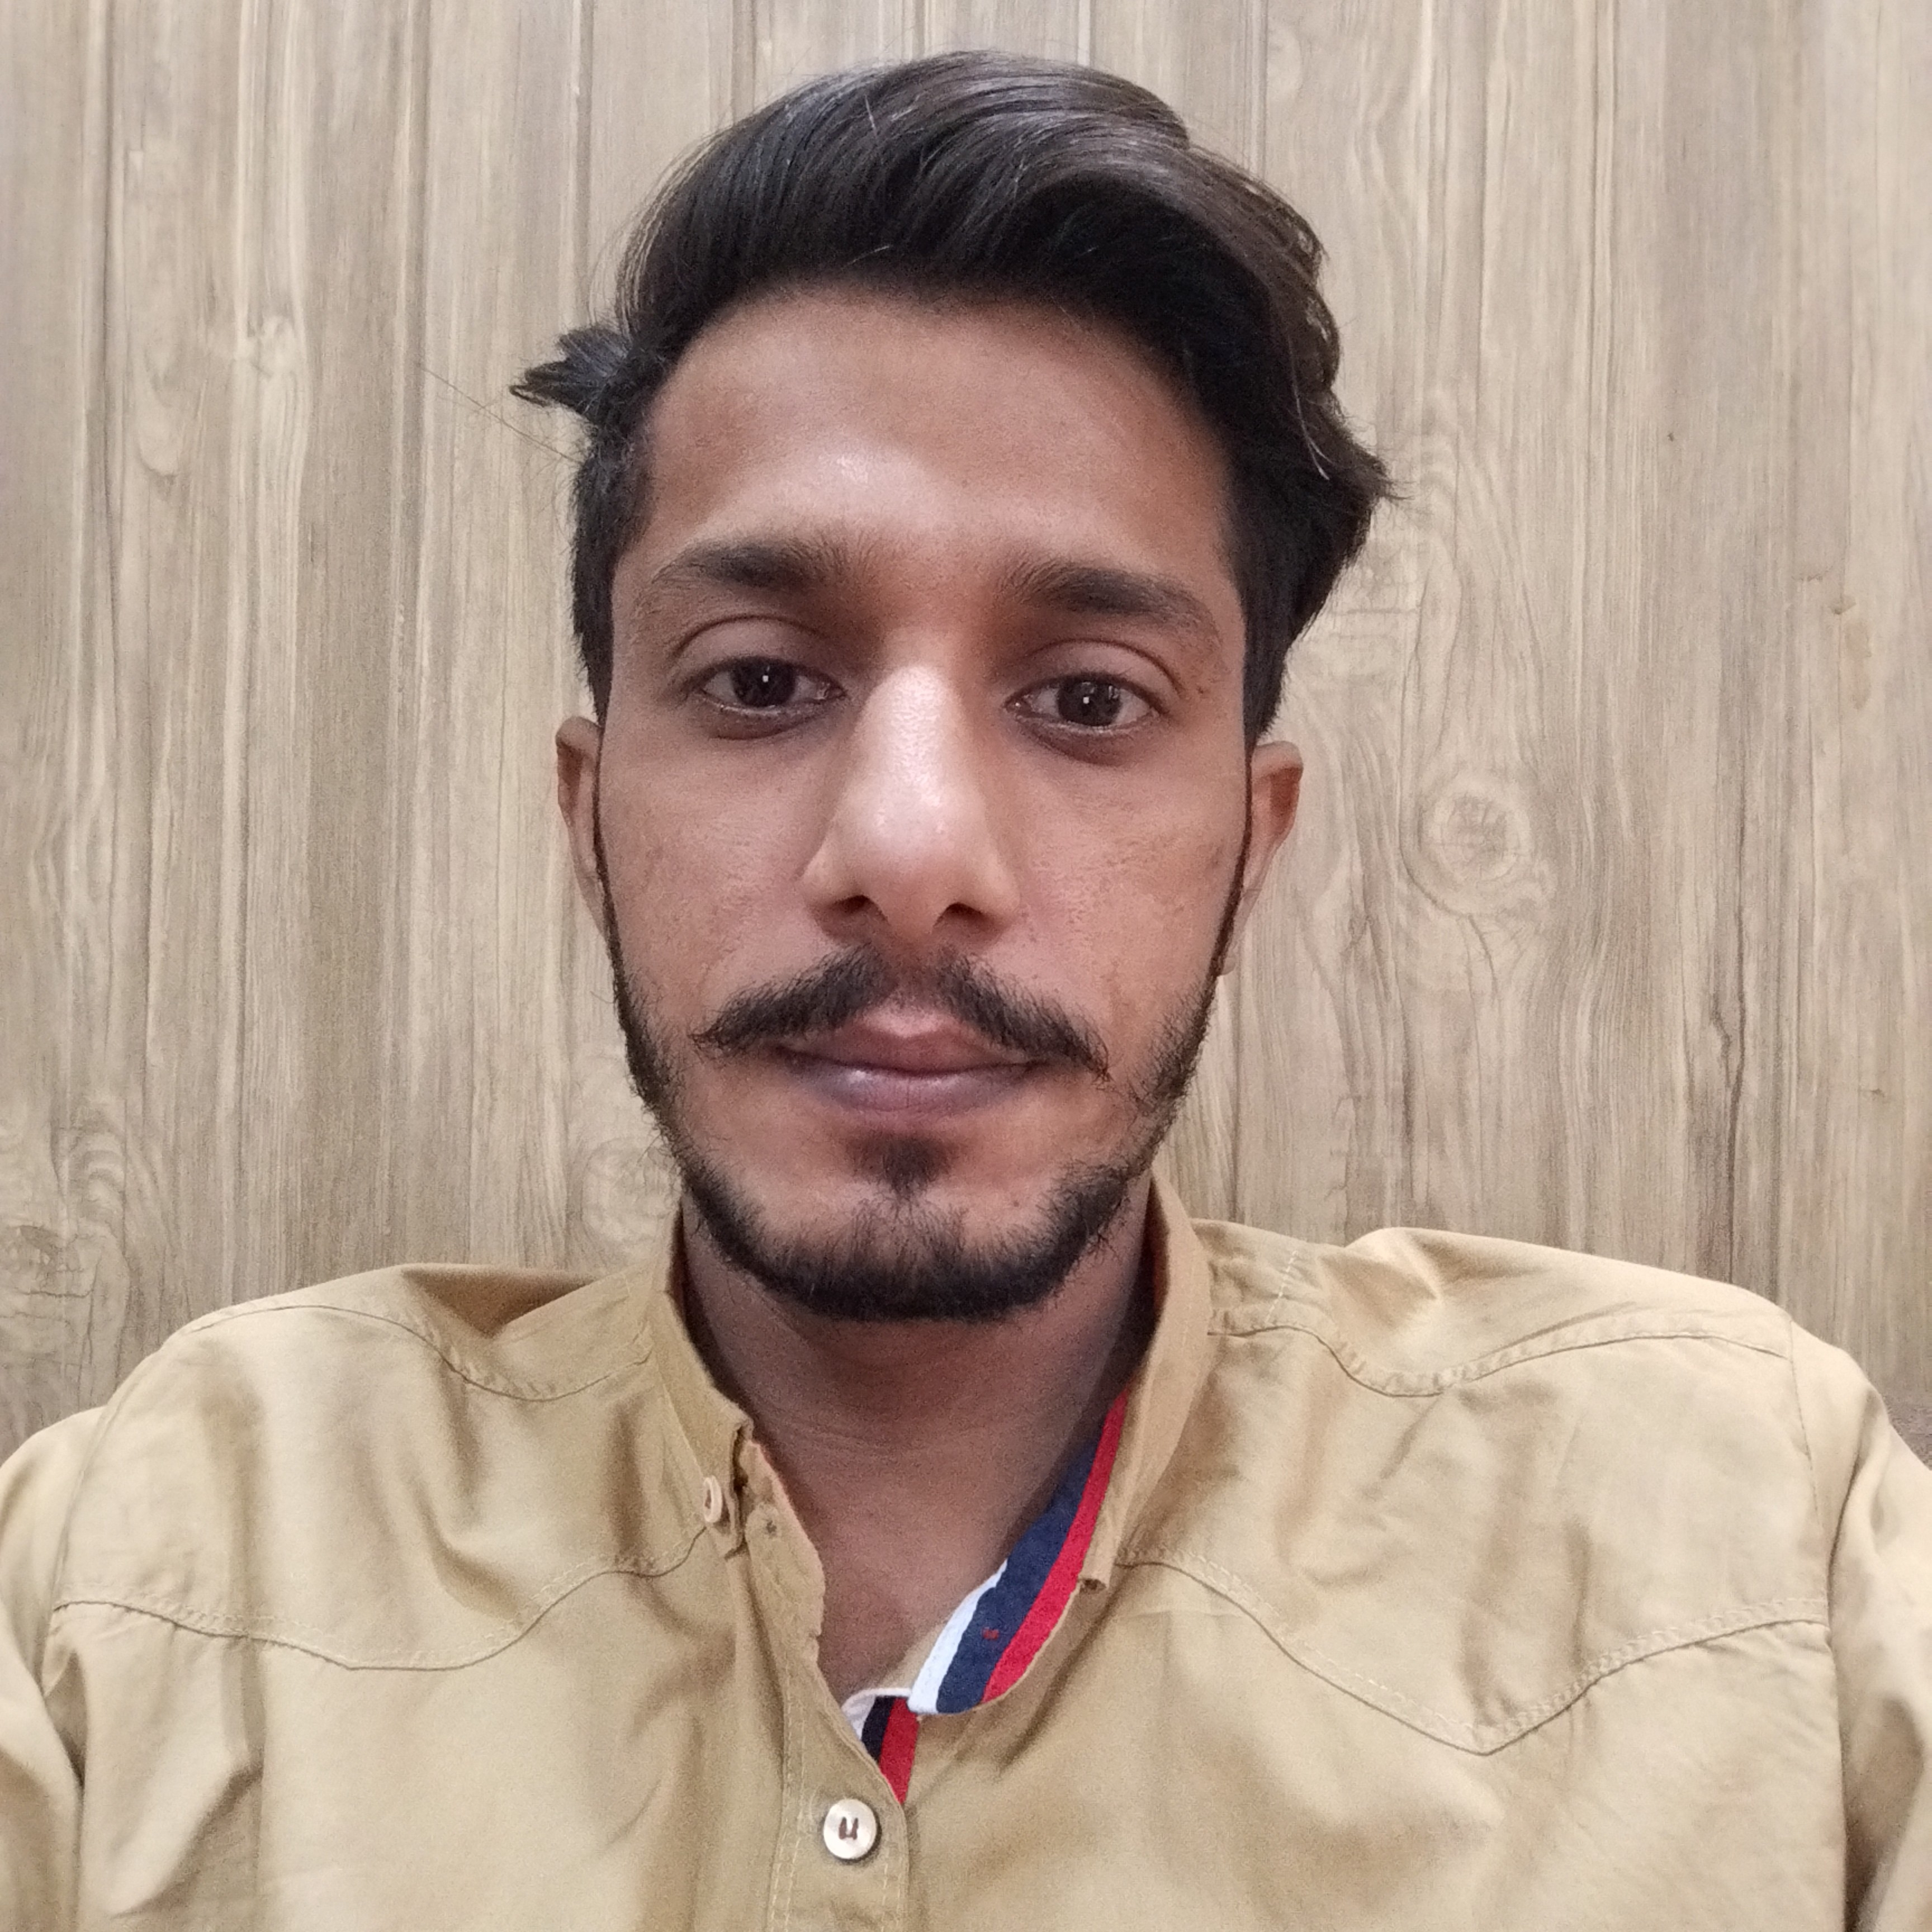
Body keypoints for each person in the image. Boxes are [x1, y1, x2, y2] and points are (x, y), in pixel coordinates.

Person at [1, 49, 1926, 1931]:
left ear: (1252, 845)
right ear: (589, 818)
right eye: (762, 680)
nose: (910, 847)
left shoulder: (1750, 1547)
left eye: (1088, 698)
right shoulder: (152, 1573)